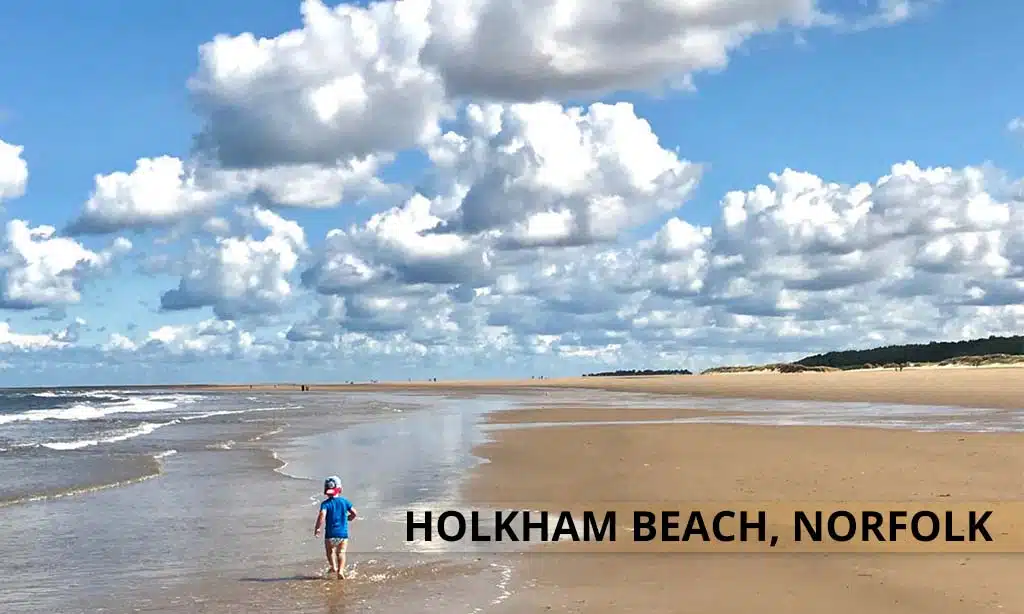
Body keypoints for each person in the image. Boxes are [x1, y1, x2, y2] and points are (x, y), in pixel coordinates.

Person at [313, 475, 357, 578]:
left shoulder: (325, 504)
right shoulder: (344, 502)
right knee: (341, 553)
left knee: (329, 552)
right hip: (343, 535)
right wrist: (350, 517)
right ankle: (340, 571)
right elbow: (354, 512)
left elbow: (322, 515)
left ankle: (333, 566)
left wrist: (317, 528)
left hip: (330, 535)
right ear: (340, 489)